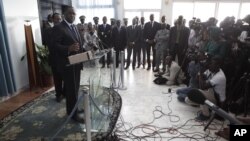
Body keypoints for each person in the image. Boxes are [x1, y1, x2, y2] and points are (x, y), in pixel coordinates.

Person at [53, 6, 85, 123]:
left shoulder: (75, 27)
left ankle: (73, 108)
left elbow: (79, 43)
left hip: (77, 63)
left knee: (75, 88)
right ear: (65, 14)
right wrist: (68, 48)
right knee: (71, 90)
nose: (73, 15)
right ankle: (73, 114)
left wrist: (86, 50)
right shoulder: (59, 27)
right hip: (67, 65)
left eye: (74, 13)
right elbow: (55, 46)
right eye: (70, 13)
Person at [186, 57, 226, 121]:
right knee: (187, 99)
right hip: (210, 93)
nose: (210, 65)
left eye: (212, 64)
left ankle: (205, 115)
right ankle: (207, 107)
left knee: (198, 93)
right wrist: (200, 73)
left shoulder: (220, 76)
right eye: (210, 64)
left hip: (217, 100)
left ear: (218, 65)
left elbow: (202, 86)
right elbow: (197, 79)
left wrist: (200, 74)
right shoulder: (211, 70)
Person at [46, 13, 64, 103]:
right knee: (57, 79)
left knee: (66, 78)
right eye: (57, 19)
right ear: (53, 20)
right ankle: (58, 95)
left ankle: (65, 93)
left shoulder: (64, 30)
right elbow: (50, 45)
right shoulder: (49, 31)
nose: (58, 21)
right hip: (54, 59)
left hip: (64, 59)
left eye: (60, 19)